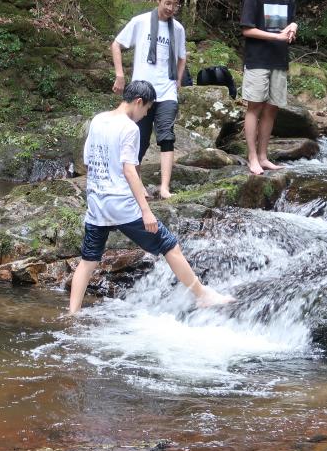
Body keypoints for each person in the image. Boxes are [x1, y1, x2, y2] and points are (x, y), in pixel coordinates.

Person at [68, 80, 233, 314]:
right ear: (138, 102)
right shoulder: (129, 128)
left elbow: (89, 161)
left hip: (97, 202)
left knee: (88, 260)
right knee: (170, 245)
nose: (145, 115)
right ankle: (202, 294)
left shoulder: (98, 120)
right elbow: (128, 170)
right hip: (122, 205)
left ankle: (71, 313)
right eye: (146, 110)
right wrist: (146, 210)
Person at [111, 0, 187, 198]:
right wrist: (120, 74)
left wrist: (178, 81)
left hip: (167, 91)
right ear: (158, 0)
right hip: (142, 93)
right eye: (167, 3)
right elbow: (117, 44)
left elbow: (182, 57)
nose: (171, 8)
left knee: (166, 136)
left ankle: (164, 187)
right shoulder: (141, 21)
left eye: (175, 4)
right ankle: (138, 186)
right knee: (139, 139)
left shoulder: (178, 29)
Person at [240, 0, 298, 175]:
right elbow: (247, 29)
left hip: (279, 59)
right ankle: (252, 157)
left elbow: (291, 21)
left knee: (272, 109)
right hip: (257, 59)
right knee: (254, 107)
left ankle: (264, 156)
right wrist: (276, 36)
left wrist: (293, 27)